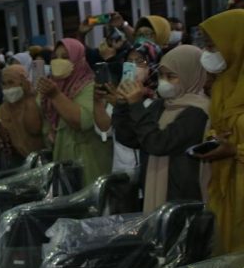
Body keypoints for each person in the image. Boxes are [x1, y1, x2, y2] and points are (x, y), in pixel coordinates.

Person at [111, 45, 209, 212]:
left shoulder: (197, 112)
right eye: (162, 75)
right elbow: (130, 137)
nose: (164, 81)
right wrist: (121, 105)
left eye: (172, 76)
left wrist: (136, 105)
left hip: (182, 199)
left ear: (189, 75)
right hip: (156, 190)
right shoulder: (160, 105)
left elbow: (158, 144)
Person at [196, 9, 244, 254]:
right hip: (225, 190)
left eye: (212, 46)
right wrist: (213, 141)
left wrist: (234, 149)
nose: (207, 53)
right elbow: (217, 127)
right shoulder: (222, 85)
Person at [37, 38, 112, 186]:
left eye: (65, 57)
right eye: (54, 58)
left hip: (89, 161)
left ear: (78, 60)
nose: (58, 61)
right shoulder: (50, 84)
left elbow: (82, 121)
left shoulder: (90, 86)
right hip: (63, 158)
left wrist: (56, 95)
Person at [94, 40, 163, 182]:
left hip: (147, 173)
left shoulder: (161, 98)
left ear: (153, 64)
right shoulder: (120, 92)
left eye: (140, 61)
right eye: (129, 61)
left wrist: (127, 104)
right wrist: (98, 102)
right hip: (121, 172)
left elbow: (145, 137)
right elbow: (105, 129)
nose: (133, 66)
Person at [0, 65, 43, 163]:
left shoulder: (36, 102)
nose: (7, 88)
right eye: (4, 84)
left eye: (11, 83)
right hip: (12, 163)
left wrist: (29, 96)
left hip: (37, 162)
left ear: (24, 83)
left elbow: (34, 129)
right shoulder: (2, 110)